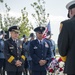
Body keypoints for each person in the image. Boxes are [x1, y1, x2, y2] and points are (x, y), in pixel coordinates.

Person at [58, 0, 75, 75]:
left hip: (72, 66)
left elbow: (62, 49)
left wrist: (65, 59)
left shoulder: (66, 24)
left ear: (70, 11)